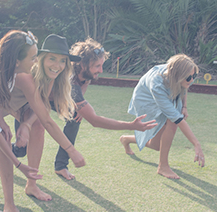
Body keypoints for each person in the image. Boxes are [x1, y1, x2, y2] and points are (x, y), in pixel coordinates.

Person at [0, 32, 85, 210]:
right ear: (40, 58)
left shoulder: (50, 76)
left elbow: (41, 108)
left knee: (37, 127)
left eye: (62, 61)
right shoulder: (24, 73)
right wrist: (71, 151)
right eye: (52, 59)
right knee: (2, 145)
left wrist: (26, 125)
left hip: (12, 107)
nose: (57, 65)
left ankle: (31, 185)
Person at [51, 38, 156, 180]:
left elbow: (84, 85)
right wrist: (131, 125)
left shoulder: (84, 74)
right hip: (35, 99)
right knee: (23, 145)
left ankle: (60, 166)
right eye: (97, 66)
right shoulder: (71, 83)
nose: (100, 70)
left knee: (74, 119)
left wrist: (79, 107)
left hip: (59, 97)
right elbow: (95, 121)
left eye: (101, 65)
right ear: (82, 64)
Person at [120, 54, 205, 179]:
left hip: (169, 90)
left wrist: (184, 106)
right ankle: (163, 167)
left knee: (156, 146)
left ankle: (126, 139)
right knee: (173, 121)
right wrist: (196, 144)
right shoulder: (157, 84)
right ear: (179, 75)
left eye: (194, 76)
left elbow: (184, 87)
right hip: (147, 100)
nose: (192, 80)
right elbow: (177, 119)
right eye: (189, 77)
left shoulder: (183, 74)